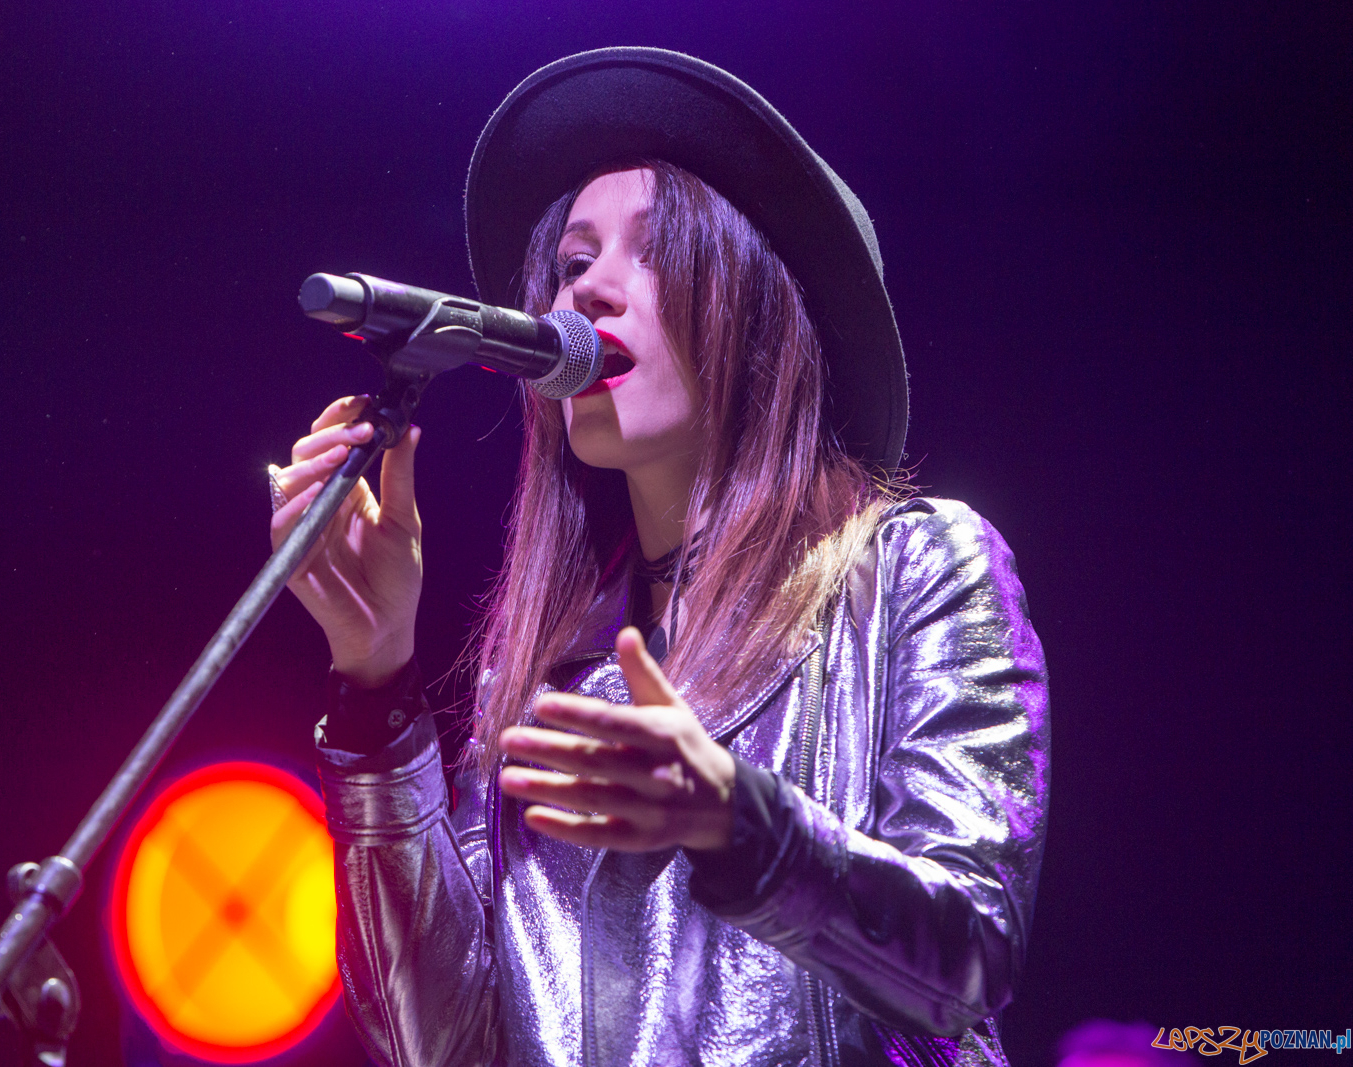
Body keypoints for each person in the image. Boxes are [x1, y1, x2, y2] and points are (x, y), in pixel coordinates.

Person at [268, 48, 1049, 1067]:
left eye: (650, 247)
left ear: (756, 302)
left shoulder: (914, 568)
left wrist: (740, 821)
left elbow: (970, 956)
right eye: (570, 260)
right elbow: (440, 1041)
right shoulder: (546, 665)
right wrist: (373, 678)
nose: (585, 286)